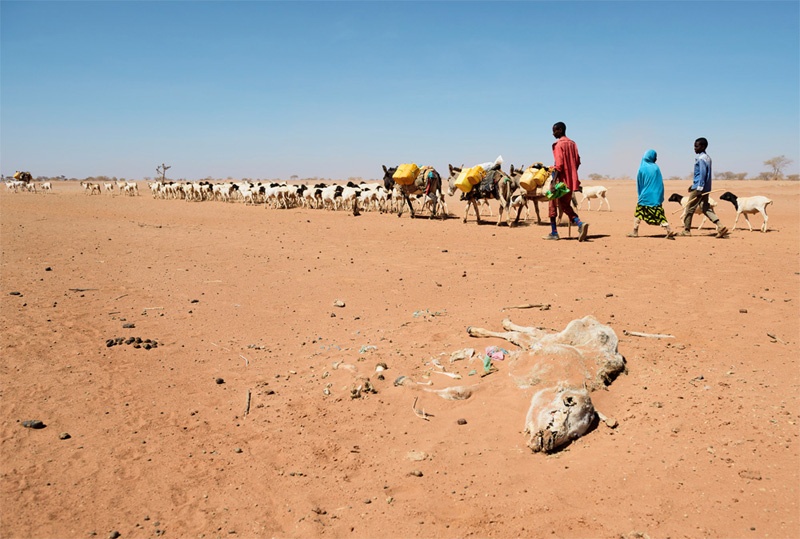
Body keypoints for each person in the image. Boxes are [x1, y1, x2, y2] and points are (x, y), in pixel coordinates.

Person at [544, 122, 589, 241]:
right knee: (565, 205)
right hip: (571, 181)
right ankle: (579, 224)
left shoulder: (558, 145)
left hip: (560, 180)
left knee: (552, 205)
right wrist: (572, 174)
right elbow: (578, 161)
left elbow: (559, 164)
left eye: (554, 131)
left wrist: (554, 181)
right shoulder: (573, 144)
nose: (553, 133)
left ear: (560, 130)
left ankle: (554, 232)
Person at [680, 137, 728, 237]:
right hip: (705, 187)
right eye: (694, 146)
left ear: (703, 146)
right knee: (705, 207)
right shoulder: (708, 158)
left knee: (689, 208)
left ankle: (686, 230)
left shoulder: (701, 159)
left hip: (699, 188)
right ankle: (720, 226)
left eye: (696, 146)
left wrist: (698, 188)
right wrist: (693, 185)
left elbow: (702, 174)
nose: (694, 148)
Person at [628, 149, 676, 239]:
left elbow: (639, 183)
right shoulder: (656, 168)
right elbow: (660, 183)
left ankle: (635, 231)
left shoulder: (641, 168)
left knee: (639, 212)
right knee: (658, 213)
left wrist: (640, 194)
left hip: (645, 195)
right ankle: (668, 229)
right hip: (656, 195)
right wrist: (659, 196)